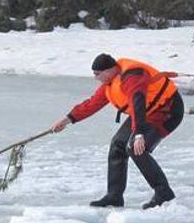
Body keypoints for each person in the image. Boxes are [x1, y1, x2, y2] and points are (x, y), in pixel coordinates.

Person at [51, 53, 184, 209]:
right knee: (118, 144)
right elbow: (92, 103)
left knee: (136, 148)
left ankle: (164, 194)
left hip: (167, 110)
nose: (96, 78)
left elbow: (138, 102)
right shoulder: (112, 81)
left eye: (97, 74)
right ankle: (114, 196)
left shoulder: (132, 77)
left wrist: (139, 133)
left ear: (108, 70)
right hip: (146, 112)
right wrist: (67, 120)